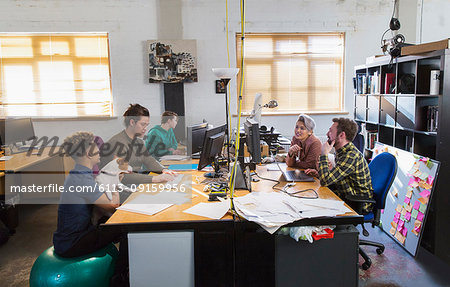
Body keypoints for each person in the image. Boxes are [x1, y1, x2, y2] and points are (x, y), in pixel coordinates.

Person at [53, 132, 128, 285]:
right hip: (72, 243)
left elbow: (102, 207)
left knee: (114, 221)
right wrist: (115, 183)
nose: (99, 151)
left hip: (75, 235)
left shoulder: (79, 175)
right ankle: (120, 278)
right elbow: (113, 205)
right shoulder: (81, 179)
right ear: (88, 152)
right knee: (125, 227)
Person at [100, 104, 176, 185]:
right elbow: (123, 176)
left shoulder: (138, 142)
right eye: (143, 124)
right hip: (121, 189)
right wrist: (155, 178)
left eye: (147, 125)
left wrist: (164, 170)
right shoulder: (117, 143)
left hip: (136, 183)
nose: (145, 128)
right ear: (132, 122)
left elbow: (149, 160)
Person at [310, 118, 373, 213]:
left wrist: (324, 154)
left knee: (313, 207)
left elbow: (325, 181)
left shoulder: (350, 156)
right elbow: (336, 177)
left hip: (355, 202)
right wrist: (319, 174)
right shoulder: (341, 152)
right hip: (344, 194)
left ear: (341, 135)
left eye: (330, 131)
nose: (327, 134)